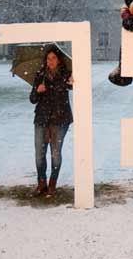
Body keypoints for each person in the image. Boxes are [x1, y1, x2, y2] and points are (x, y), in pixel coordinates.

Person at [30, 46, 74, 198]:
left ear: (59, 60)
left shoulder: (66, 74)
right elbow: (32, 99)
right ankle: (41, 183)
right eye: (48, 59)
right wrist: (37, 90)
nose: (51, 61)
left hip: (60, 119)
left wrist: (72, 82)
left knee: (55, 154)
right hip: (41, 119)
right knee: (39, 155)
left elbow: (73, 86)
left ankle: (52, 184)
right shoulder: (40, 75)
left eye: (53, 58)